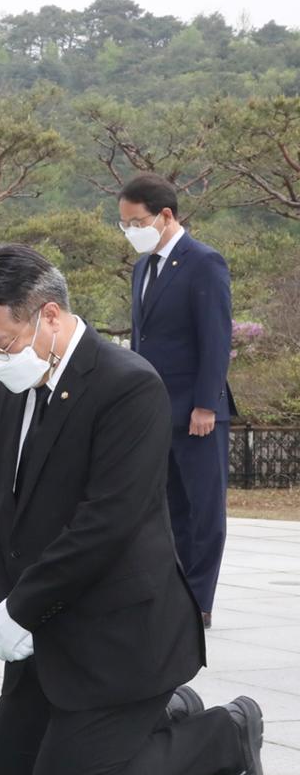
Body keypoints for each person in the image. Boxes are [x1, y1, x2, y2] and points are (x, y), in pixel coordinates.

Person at [0, 243, 263, 775]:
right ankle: (159, 719)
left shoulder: (128, 385)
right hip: (45, 632)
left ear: (47, 316)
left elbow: (108, 522)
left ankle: (224, 735)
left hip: (120, 636)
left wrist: (24, 606)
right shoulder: (11, 388)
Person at [118, 173, 236, 629]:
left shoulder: (204, 262)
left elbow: (215, 338)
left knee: (204, 510)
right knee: (167, 509)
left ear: (165, 215)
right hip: (154, 411)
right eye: (124, 224)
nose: (130, 231)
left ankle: (199, 601)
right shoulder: (143, 267)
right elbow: (142, 342)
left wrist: (206, 404)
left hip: (197, 412)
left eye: (137, 221)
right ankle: (172, 592)